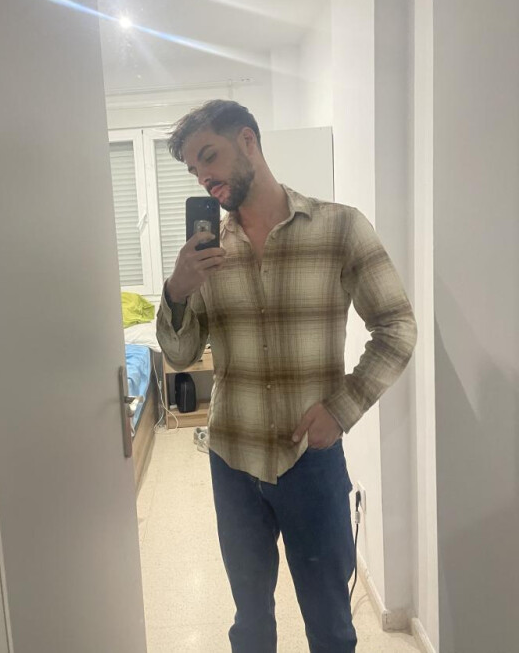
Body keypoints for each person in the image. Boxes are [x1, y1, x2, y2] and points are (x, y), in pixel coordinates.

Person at [156, 100, 417, 653]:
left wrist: (342, 408)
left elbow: (397, 326)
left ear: (248, 141)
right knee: (250, 623)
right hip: (232, 459)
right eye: (194, 170)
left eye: (210, 156)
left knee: (331, 625)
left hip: (310, 462)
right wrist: (177, 291)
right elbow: (181, 355)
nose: (204, 177)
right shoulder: (206, 253)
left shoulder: (340, 227)